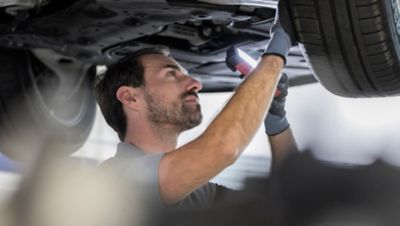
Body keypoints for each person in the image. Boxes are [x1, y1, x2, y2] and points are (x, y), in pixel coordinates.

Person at [94, 0, 297, 208]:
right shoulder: (117, 180)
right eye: (171, 74)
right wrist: (275, 56)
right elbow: (224, 147)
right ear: (130, 98)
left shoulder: (199, 194)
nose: (196, 84)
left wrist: (276, 122)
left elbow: (288, 208)